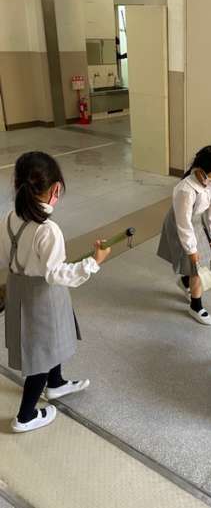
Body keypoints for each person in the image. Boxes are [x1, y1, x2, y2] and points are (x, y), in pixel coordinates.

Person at [0, 152, 110, 433]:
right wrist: (93, 262)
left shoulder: (9, 218)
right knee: (41, 353)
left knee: (51, 340)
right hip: (42, 295)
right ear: (56, 189)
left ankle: (56, 383)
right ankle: (25, 416)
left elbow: (4, 258)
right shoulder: (48, 230)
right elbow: (56, 274)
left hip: (19, 290)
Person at [157, 145, 211, 325]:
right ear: (201, 169)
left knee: (198, 263)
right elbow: (183, 223)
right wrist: (191, 249)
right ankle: (196, 306)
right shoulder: (185, 189)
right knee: (196, 266)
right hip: (181, 225)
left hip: (197, 221)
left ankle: (185, 282)